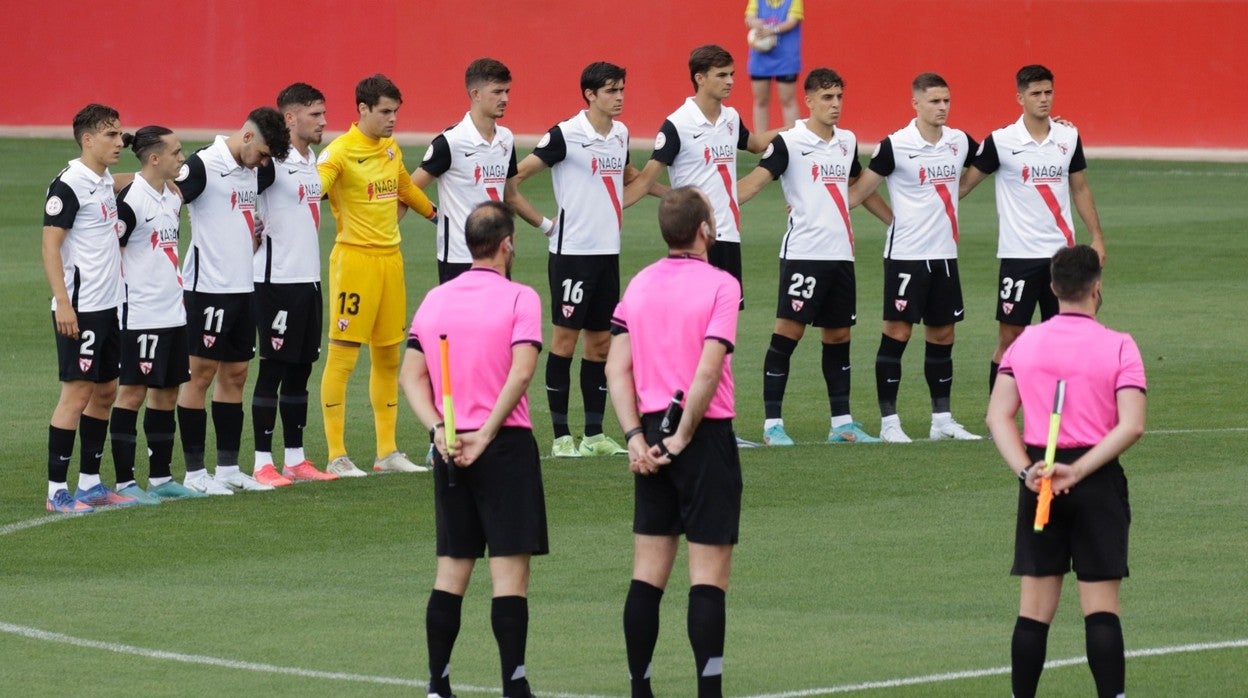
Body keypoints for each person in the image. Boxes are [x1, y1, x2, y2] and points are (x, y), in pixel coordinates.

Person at [985, 244, 1145, 698]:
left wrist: (1026, 473)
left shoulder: (1024, 343)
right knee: (1100, 609)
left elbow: (998, 416)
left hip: (1039, 483)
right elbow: (1131, 424)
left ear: (1053, 288)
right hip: (1095, 481)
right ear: (1097, 287)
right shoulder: (1120, 345)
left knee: (1033, 612)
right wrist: (1078, 470)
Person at [400, 201, 545, 698]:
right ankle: (514, 685)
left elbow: (410, 376)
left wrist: (438, 428)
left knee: (452, 566)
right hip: (501, 445)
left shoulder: (436, 298)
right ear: (508, 244)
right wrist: (486, 434)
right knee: (510, 569)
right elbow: (521, 371)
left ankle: (437, 684)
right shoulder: (520, 298)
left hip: (450, 445)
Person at [606, 187, 742, 697]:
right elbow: (708, 369)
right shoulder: (722, 286)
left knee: (647, 574)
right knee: (707, 576)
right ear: (705, 230)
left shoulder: (639, 284)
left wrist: (636, 438)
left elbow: (617, 369)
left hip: (648, 434)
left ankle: (640, 689)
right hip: (701, 437)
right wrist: (681, 437)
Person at [505, 61, 653, 458]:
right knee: (565, 342)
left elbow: (628, 177)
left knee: (601, 344)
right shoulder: (565, 135)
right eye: (611, 90)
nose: (619, 97)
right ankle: (560, 437)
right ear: (590, 94)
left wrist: (672, 194)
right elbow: (512, 182)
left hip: (608, 254)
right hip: (571, 254)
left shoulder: (620, 134)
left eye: (621, 89)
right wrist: (546, 225)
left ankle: (593, 435)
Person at [737, 68, 891, 446]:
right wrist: (710, 205)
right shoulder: (789, 142)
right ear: (808, 100)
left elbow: (857, 185)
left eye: (839, 97)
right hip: (804, 255)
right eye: (827, 98)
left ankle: (842, 424)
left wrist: (894, 221)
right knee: (788, 334)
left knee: (839, 336)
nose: (835, 104)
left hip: (842, 254)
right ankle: (772, 425)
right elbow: (755, 183)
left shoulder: (848, 141)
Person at [847, 72, 982, 443]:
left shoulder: (958, 142)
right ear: (916, 104)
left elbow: (993, 157)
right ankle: (890, 423)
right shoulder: (896, 145)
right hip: (906, 255)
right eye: (935, 101)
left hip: (944, 255)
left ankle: (942, 421)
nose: (942, 108)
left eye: (946, 101)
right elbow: (859, 193)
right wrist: (813, 206)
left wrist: (961, 190)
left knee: (943, 334)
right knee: (898, 331)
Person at [959, 64, 1107, 394]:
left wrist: (1096, 237)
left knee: (1067, 338)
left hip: (1062, 259)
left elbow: (1080, 189)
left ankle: (1066, 417)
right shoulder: (1001, 141)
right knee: (1011, 338)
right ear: (1020, 97)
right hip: (1018, 257)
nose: (1043, 99)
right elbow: (963, 187)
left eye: (1048, 92)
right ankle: (998, 416)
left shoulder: (1068, 137)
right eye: (1036, 93)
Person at [317, 73, 438, 478]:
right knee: (343, 357)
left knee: (388, 357)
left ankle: (386, 452)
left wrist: (436, 215)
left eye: (395, 112)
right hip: (354, 263)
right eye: (385, 112)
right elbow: (313, 189)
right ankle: (337, 455)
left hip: (391, 262)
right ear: (363, 109)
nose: (392, 120)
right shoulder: (338, 153)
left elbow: (404, 187)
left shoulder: (389, 148)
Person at [175, 107, 291, 495]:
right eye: (261, 154)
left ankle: (227, 469)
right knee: (199, 375)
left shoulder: (255, 168)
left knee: (236, 375)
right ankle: (194, 474)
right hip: (206, 288)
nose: (263, 164)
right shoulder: (203, 166)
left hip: (244, 288)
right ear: (247, 137)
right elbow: (162, 201)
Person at [625, 44, 776, 309]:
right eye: (722, 75)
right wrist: (611, 207)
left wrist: (800, 127)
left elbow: (755, 143)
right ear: (700, 78)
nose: (730, 81)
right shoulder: (677, 124)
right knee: (695, 321)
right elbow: (646, 180)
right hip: (694, 237)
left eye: (732, 74)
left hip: (728, 234)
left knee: (725, 323)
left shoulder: (731, 118)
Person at [41, 104, 138, 512]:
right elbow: (50, 246)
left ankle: (90, 484)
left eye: (120, 135)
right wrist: (64, 304)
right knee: (76, 395)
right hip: (80, 308)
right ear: (88, 139)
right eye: (111, 135)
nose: (119, 142)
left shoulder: (100, 181)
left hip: (110, 304)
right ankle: (55, 491)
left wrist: (154, 174)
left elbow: (119, 181)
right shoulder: (68, 184)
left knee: (106, 392)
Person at [109, 126, 204, 503]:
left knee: (166, 392)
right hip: (140, 314)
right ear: (154, 159)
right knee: (132, 393)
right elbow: (109, 251)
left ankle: (162, 478)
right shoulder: (130, 201)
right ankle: (125, 483)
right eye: (177, 153)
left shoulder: (172, 197)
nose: (183, 159)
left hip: (172, 311)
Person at [250, 83, 338, 486]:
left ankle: (296, 459)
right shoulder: (270, 162)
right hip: (276, 281)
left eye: (323, 113)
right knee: (274, 369)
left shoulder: (310, 158)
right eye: (315, 114)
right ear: (289, 118)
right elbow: (240, 195)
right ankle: (261, 462)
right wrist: (249, 228)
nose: (323, 121)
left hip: (308, 280)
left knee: (302, 369)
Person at [413, 58, 518, 284]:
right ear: (476, 94)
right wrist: (433, 214)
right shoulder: (450, 142)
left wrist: (548, 227)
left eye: (507, 91)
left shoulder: (507, 139)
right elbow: (409, 189)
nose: (505, 99)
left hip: (499, 255)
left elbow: (510, 195)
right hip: (460, 257)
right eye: (498, 92)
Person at [744, 0, 804, 131]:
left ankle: (794, 141)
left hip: (786, 58)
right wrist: (754, 22)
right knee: (761, 101)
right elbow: (749, 17)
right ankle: (761, 142)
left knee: (788, 100)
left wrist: (772, 30)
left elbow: (792, 21)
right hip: (760, 59)